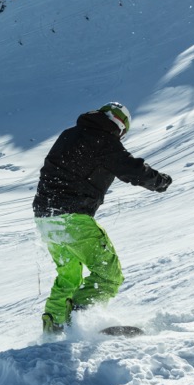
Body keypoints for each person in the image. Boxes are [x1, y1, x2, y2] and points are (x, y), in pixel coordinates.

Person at [33, 102, 172, 334]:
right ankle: (79, 319)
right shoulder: (103, 140)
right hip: (73, 219)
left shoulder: (70, 134)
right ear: (120, 125)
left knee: (68, 275)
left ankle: (54, 326)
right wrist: (161, 181)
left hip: (45, 218)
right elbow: (132, 169)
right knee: (108, 274)